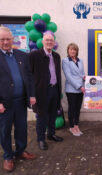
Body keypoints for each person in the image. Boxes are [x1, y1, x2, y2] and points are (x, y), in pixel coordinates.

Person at [0, 26, 36, 172]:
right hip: (4, 103)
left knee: (22, 128)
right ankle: (8, 156)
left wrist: (32, 94)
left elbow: (29, 77)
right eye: (2, 39)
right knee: (4, 131)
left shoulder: (22, 55)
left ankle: (20, 151)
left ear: (12, 39)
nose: (5, 42)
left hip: (21, 100)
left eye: (8, 39)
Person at [29, 31, 63, 151]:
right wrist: (31, 93)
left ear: (54, 43)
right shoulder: (34, 55)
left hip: (54, 89)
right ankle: (41, 139)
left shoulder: (56, 56)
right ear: (42, 41)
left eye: (51, 40)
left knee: (53, 114)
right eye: (47, 40)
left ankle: (51, 134)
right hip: (41, 91)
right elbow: (29, 75)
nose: (49, 42)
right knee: (42, 116)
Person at [62, 43, 85, 136]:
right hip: (72, 89)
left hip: (81, 89)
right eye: (71, 49)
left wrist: (84, 78)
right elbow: (68, 76)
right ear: (68, 51)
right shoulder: (65, 61)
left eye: (74, 50)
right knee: (72, 108)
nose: (72, 51)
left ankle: (76, 125)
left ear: (77, 51)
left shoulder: (80, 60)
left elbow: (82, 73)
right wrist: (79, 86)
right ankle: (71, 127)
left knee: (78, 108)